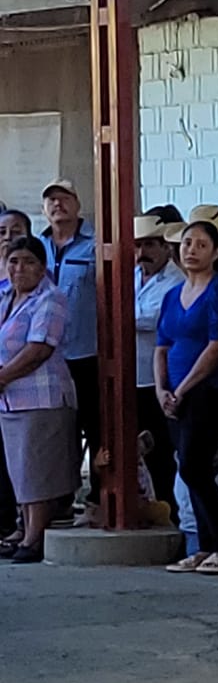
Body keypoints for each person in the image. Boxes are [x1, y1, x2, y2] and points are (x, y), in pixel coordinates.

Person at [156, 221, 218, 576]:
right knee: (190, 466)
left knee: (195, 463)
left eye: (201, 245)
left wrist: (182, 389)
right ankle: (204, 546)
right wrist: (163, 388)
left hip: (208, 390)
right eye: (187, 243)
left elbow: (216, 348)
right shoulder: (172, 294)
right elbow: (162, 346)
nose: (191, 250)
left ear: (217, 252)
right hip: (174, 393)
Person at [0, 237, 77, 563]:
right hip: (10, 400)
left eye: (29, 261)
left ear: (42, 266)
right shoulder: (5, 297)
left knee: (38, 471)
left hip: (41, 395)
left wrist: (2, 376)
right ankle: (24, 530)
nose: (20, 269)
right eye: (14, 261)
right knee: (19, 470)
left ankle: (35, 537)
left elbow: (39, 348)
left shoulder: (51, 297)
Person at [39, 180, 96, 521]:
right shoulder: (38, 245)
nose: (57, 205)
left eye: (64, 198)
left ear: (77, 204)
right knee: (57, 434)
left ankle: (96, 500)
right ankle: (58, 503)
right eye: (51, 200)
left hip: (86, 352)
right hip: (46, 358)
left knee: (94, 425)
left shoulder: (94, 246)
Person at [132, 209, 185, 505]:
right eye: (138, 245)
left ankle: (172, 511)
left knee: (164, 450)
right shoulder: (130, 276)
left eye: (150, 244)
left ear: (166, 246)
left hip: (161, 378)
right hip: (134, 375)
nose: (143, 252)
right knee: (141, 448)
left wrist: (122, 316)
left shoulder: (176, 281)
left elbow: (152, 318)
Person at [0, 210, 35, 543]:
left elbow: (39, 346)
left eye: (15, 230)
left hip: (25, 388)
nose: (7, 237)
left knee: (24, 462)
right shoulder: (7, 289)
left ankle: (23, 529)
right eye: (2, 231)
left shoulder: (41, 294)